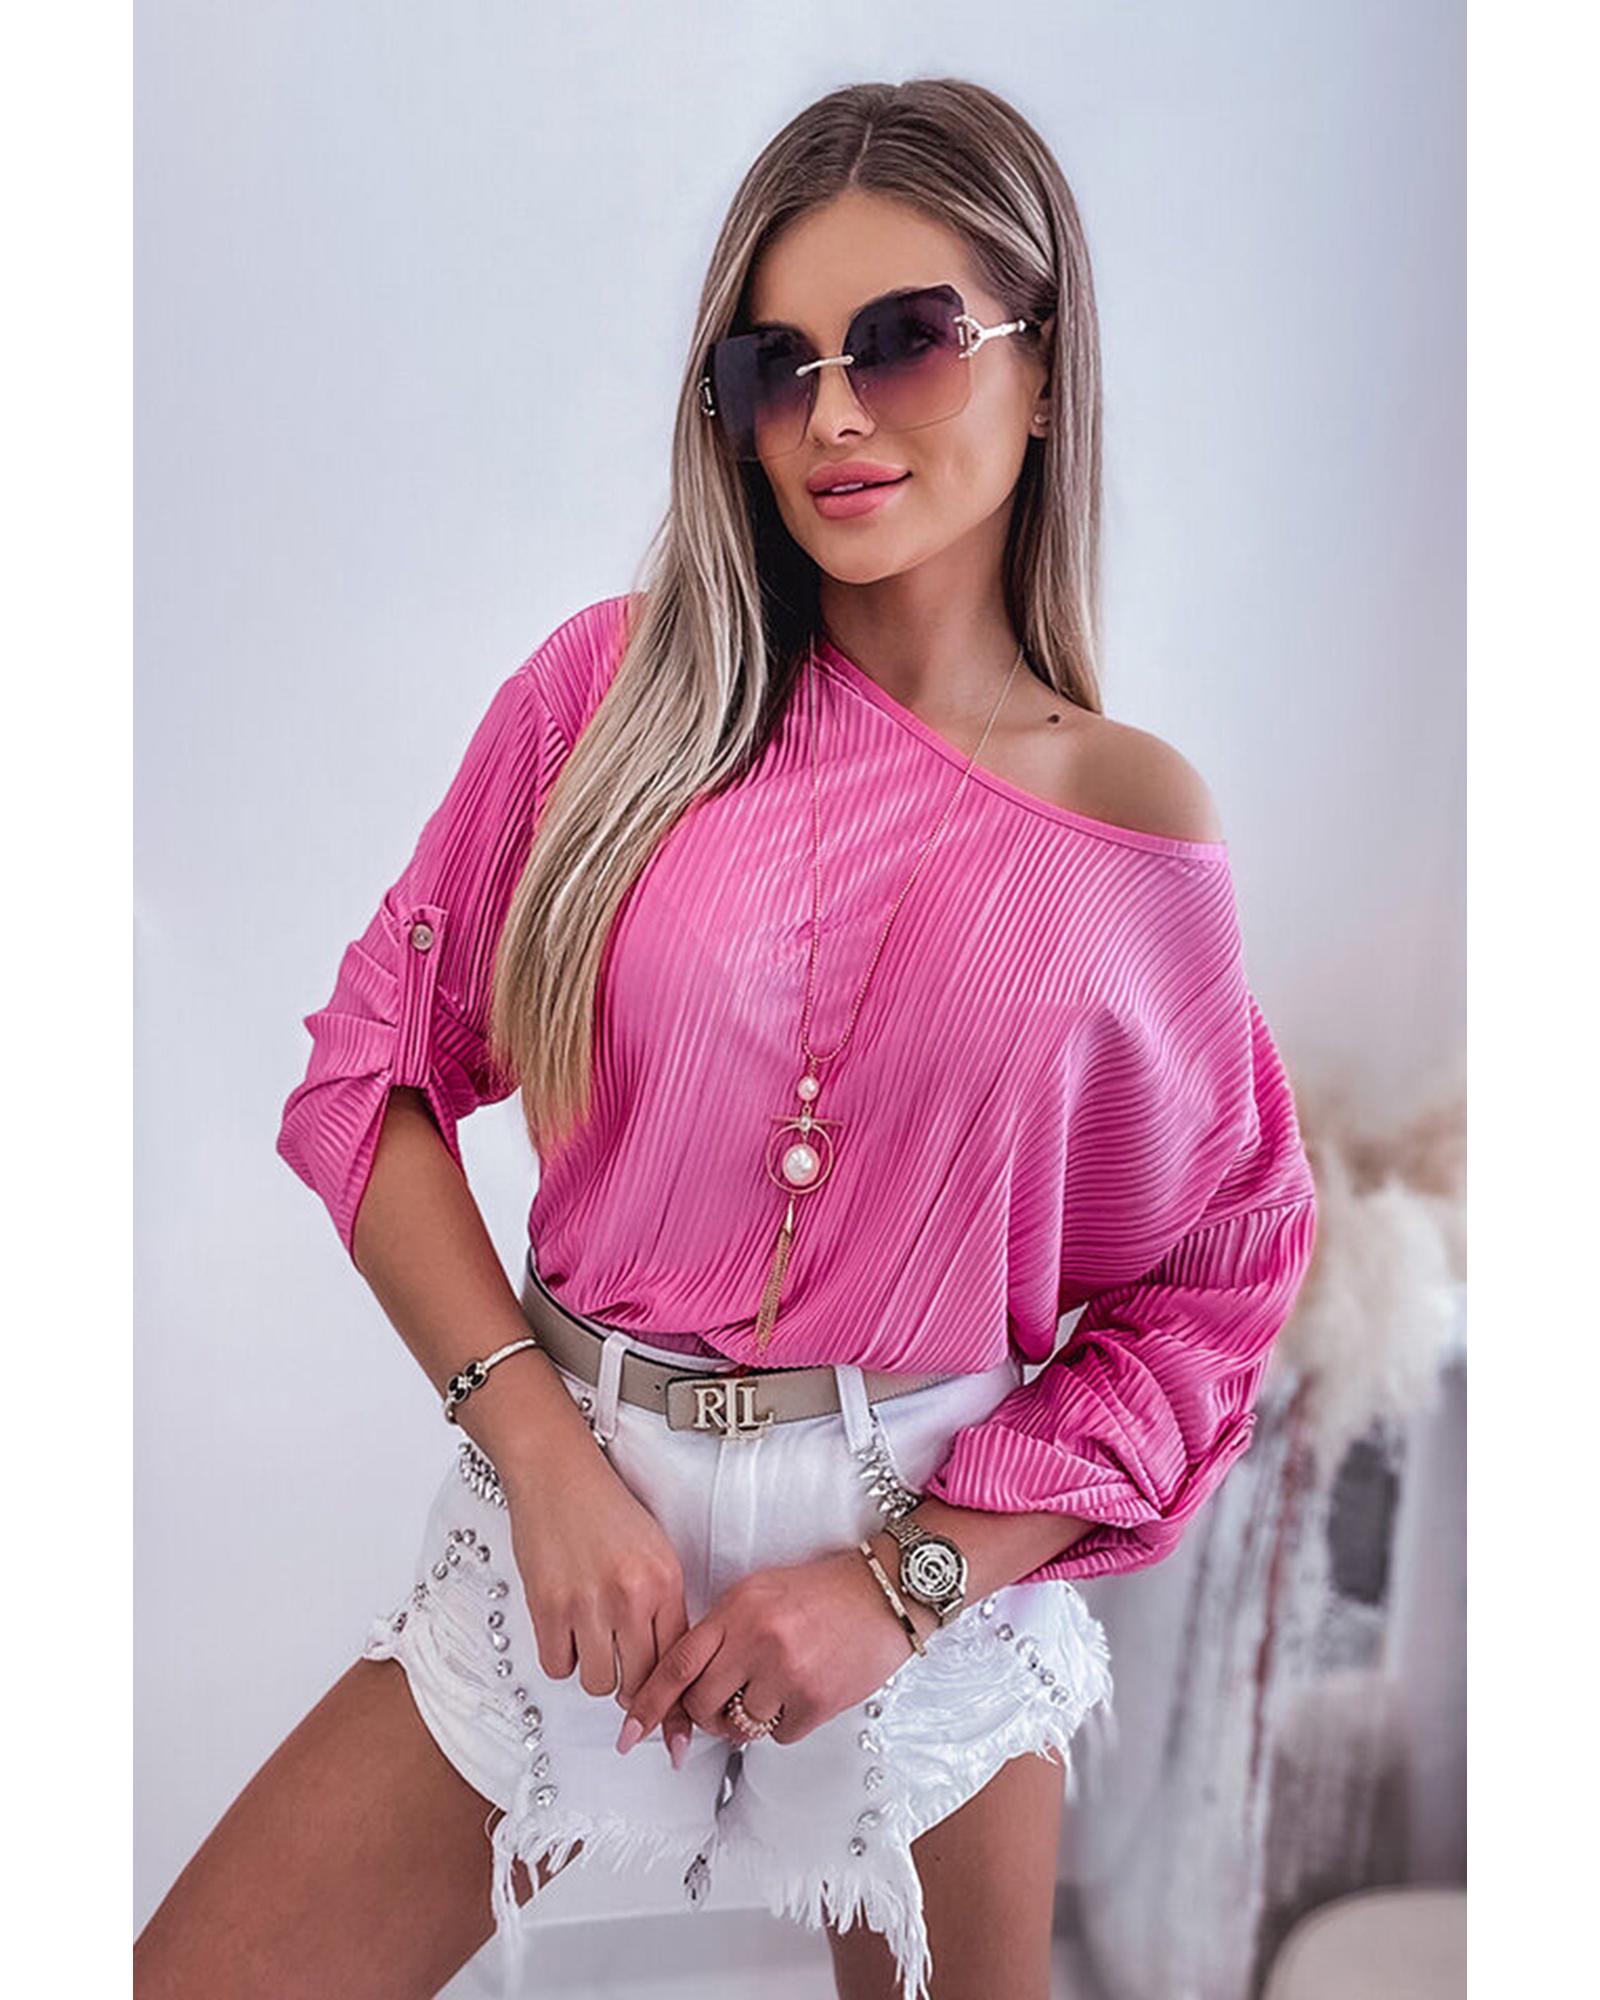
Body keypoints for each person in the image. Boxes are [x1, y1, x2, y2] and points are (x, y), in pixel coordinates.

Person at [135, 75, 1318, 2000]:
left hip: (923, 1544)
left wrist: (904, 1582)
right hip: (571, 1510)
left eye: (907, 342)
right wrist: (538, 1451)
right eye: (778, 366)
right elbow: (370, 1079)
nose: (835, 416)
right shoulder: (609, 704)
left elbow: (1211, 1287)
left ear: (1042, 368)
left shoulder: (1131, 831)